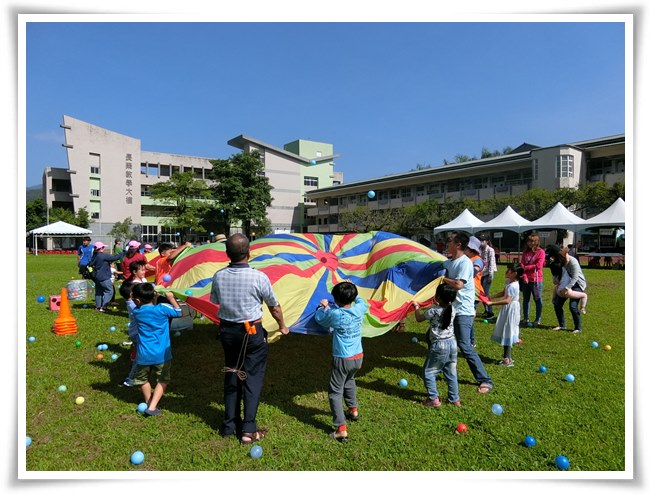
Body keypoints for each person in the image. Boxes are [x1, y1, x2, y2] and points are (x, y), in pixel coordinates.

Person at [209, 233, 289, 443]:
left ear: (227, 253)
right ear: (249, 253)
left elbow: (215, 301)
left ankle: (229, 426)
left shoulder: (219, 276)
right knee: (252, 377)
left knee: (232, 373)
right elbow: (274, 306)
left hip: (227, 332)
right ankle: (248, 430)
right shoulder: (259, 277)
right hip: (251, 333)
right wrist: (282, 325)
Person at [315, 281, 368, 442]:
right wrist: (352, 290)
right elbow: (361, 301)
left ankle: (341, 428)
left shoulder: (336, 314)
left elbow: (320, 319)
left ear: (335, 300)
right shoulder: (359, 309)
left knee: (335, 392)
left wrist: (322, 307)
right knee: (350, 380)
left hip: (342, 358)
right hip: (358, 356)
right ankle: (353, 410)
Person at [442, 231, 494, 394]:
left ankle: (485, 379)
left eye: (450, 241)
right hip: (451, 308)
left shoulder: (465, 263)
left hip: (463, 310)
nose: (447, 244)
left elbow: (458, 284)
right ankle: (442, 368)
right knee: (433, 336)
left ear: (458, 245)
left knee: (464, 345)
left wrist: (443, 280)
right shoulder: (450, 262)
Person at [130, 283, 182, 416]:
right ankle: (152, 406)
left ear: (137, 300)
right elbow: (178, 312)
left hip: (144, 354)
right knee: (163, 379)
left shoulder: (136, 312)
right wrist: (170, 298)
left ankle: (149, 402)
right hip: (162, 354)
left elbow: (142, 305)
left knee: (142, 379)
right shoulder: (162, 308)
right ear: (154, 295)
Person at [413, 283, 460, 408]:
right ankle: (454, 399)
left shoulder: (433, 311)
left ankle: (433, 398)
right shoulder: (453, 309)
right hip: (452, 343)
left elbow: (419, 318)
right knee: (451, 372)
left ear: (438, 297)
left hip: (439, 345)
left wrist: (416, 307)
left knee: (429, 371)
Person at [484, 263, 524, 367]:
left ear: (515, 274)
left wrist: (491, 303)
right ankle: (507, 357)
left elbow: (507, 300)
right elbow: (503, 293)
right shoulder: (509, 282)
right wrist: (491, 296)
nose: (506, 272)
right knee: (507, 330)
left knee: (508, 331)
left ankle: (507, 359)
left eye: (509, 270)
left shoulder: (513, 285)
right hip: (509, 309)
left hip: (511, 309)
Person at [547, 245, 587, 333]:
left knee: (572, 306)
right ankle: (562, 325)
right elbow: (558, 275)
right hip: (566, 283)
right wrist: (556, 280)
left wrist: (566, 288)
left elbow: (575, 277)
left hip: (577, 284)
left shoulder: (573, 261)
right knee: (557, 304)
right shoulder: (560, 262)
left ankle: (578, 328)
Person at [520, 234, 546, 327]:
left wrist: (526, 268)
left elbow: (538, 266)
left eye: (532, 241)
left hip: (536, 280)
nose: (530, 243)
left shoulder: (541, 252)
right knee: (526, 300)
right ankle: (525, 318)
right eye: (528, 241)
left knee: (537, 300)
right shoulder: (525, 252)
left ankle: (538, 319)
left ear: (536, 242)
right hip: (526, 280)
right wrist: (524, 276)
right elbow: (521, 265)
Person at [88, 241, 122, 312]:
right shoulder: (102, 255)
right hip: (104, 276)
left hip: (96, 277)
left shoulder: (94, 256)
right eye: (103, 247)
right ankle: (104, 307)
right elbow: (114, 258)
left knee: (99, 292)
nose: (104, 248)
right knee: (109, 291)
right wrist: (122, 253)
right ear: (100, 248)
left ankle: (98, 307)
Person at [464, 235, 485, 347]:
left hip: (474, 292)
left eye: (466, 248)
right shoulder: (467, 258)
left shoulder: (477, 260)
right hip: (466, 290)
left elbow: (473, 272)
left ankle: (471, 341)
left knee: (469, 317)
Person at [119, 281, 139, 387]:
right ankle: (131, 378)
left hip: (135, 333)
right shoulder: (133, 306)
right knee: (140, 358)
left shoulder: (132, 303)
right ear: (132, 294)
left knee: (139, 354)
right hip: (137, 334)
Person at [479, 234, 498, 319]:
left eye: (483, 240)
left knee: (486, 292)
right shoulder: (479, 250)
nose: (481, 242)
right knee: (481, 293)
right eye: (480, 240)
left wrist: (490, 275)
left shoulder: (490, 250)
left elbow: (491, 263)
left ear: (487, 241)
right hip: (481, 274)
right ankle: (486, 309)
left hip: (488, 274)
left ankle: (490, 312)